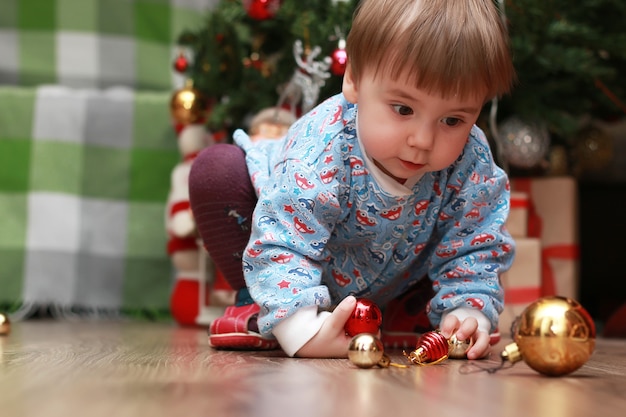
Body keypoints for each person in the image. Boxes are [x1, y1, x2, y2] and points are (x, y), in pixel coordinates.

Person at [189, 0, 516, 360]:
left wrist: (468, 309)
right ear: (354, 80)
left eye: (453, 120)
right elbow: (283, 237)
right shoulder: (322, 149)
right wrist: (299, 328)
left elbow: (474, 240)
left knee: (461, 236)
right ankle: (261, 304)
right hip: (285, 256)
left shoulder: (470, 159)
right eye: (403, 109)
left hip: (396, 274)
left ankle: (409, 309)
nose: (423, 141)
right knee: (216, 172)